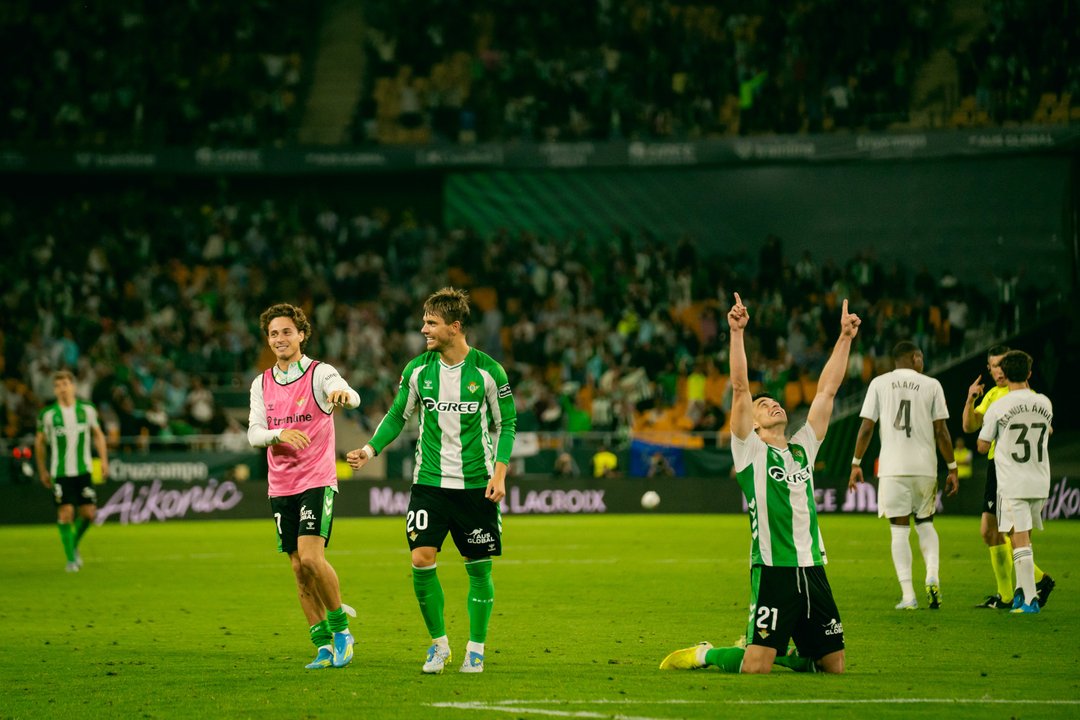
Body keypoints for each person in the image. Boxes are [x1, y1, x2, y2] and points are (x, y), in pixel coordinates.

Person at [660, 293, 859, 675]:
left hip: (813, 567)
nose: (772, 405)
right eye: (763, 404)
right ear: (751, 423)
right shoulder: (749, 452)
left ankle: (795, 655)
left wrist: (845, 337)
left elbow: (826, 391)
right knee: (755, 668)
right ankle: (707, 654)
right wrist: (736, 333)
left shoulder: (804, 448)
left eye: (774, 402)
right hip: (772, 570)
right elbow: (739, 389)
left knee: (834, 668)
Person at [346, 287, 516, 674]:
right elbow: (396, 416)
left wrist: (500, 472)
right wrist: (370, 450)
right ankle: (439, 646)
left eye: (431, 323)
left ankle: (476, 648)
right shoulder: (418, 369)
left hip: (476, 484)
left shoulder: (490, 371)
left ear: (455, 327)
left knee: (478, 567)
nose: (423, 329)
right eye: (424, 321)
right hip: (429, 484)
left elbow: (507, 423)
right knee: (421, 559)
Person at [247, 303, 361, 670]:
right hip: (280, 485)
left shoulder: (319, 372)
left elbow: (345, 390)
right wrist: (279, 433)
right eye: (273, 334)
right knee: (298, 569)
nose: (280, 339)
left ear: (301, 334)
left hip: (316, 479)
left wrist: (344, 394)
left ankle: (342, 631)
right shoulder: (261, 383)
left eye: (286, 332)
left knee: (312, 558)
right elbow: (254, 433)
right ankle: (322, 646)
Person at [848, 341, 959, 610]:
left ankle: (908, 596)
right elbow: (941, 431)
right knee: (926, 523)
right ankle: (932, 574)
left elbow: (866, 428)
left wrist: (856, 463)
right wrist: (952, 467)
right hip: (924, 468)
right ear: (915, 357)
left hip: (892, 468)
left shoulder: (879, 383)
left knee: (899, 530)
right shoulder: (932, 385)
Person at [963, 345, 1055, 609]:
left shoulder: (1000, 405)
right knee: (1018, 536)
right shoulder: (1044, 402)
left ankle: (1029, 600)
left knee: (1019, 539)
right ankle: (1018, 593)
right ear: (1029, 372)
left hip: (1012, 480)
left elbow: (981, 445)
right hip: (1039, 479)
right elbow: (1047, 431)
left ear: (1004, 371)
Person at [35, 370, 109, 572]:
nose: (62, 388)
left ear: (73, 387)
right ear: (54, 390)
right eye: (58, 385)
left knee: (88, 514)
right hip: (60, 472)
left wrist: (103, 460)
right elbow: (39, 443)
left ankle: (73, 544)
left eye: (66, 384)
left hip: (83, 469)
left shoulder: (87, 410)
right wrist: (42, 469)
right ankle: (70, 560)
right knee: (66, 512)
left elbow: (98, 435)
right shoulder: (48, 415)